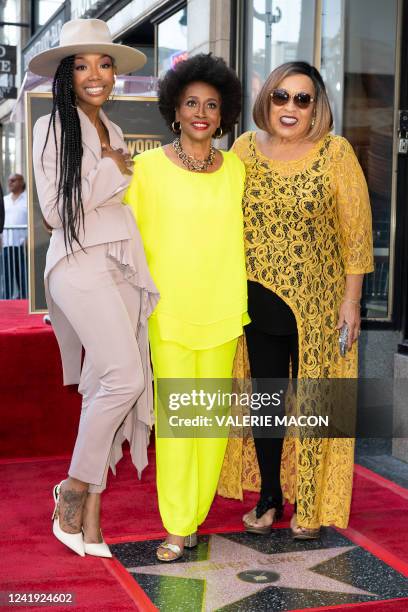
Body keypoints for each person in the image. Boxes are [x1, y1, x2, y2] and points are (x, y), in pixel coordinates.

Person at [218, 61, 374, 538]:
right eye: (282, 96)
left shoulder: (336, 153)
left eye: (302, 99)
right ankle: (269, 497)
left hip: (320, 306)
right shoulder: (242, 149)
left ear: (316, 107)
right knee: (267, 402)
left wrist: (352, 300)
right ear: (267, 99)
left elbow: (356, 232)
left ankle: (308, 501)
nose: (290, 107)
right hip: (256, 300)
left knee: (313, 403)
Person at [30, 18, 159, 558]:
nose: (95, 74)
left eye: (104, 64)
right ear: (66, 74)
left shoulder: (117, 131)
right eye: (81, 65)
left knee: (106, 382)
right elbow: (58, 212)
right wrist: (110, 171)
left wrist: (112, 162)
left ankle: (91, 522)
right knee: (126, 376)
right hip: (78, 260)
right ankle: (74, 488)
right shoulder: (50, 129)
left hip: (120, 260)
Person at [125, 53, 249, 561]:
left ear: (223, 115)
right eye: (192, 103)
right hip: (169, 312)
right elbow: (128, 243)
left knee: (210, 424)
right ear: (175, 110)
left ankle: (194, 516)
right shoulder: (147, 168)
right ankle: (176, 525)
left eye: (212, 105)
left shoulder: (237, 169)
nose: (202, 112)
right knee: (179, 423)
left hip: (223, 309)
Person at [2, 174, 28, 298]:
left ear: (22, 182)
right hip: (7, 244)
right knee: (6, 276)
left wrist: (29, 239)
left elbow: (36, 221)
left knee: (23, 277)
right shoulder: (4, 199)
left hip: (23, 246)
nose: (10, 183)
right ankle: (6, 304)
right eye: (9, 181)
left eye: (13, 180)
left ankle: (25, 302)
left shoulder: (28, 198)